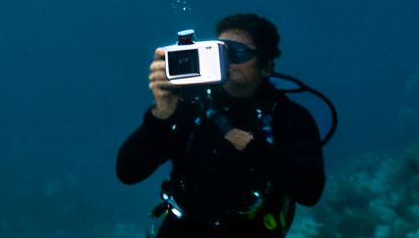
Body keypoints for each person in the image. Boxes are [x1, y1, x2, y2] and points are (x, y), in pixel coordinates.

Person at [116, 13, 325, 235]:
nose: (227, 61)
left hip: (253, 230)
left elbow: (309, 192)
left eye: (238, 53)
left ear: (266, 66)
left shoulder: (287, 117)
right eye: (221, 51)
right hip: (183, 228)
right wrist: (160, 114)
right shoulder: (192, 107)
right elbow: (128, 173)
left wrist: (254, 151)